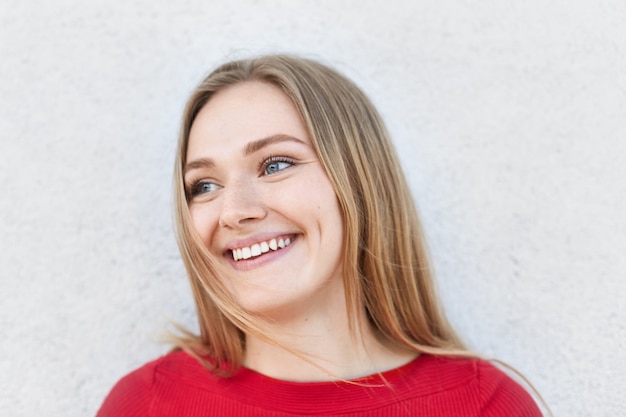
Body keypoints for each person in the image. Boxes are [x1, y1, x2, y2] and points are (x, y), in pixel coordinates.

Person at [96, 54, 543, 416]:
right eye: (204, 186)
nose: (233, 212)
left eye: (275, 165)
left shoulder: (484, 405)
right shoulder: (146, 404)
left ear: (360, 181)